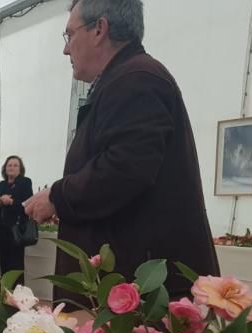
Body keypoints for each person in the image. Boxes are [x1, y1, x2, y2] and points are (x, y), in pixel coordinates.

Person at [24, 0, 219, 303]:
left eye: (69, 35)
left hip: (141, 292)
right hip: (133, 283)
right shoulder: (127, 79)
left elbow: (124, 169)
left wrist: (57, 196)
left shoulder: (136, 80)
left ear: (99, 28)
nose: (66, 50)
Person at [0, 155, 34, 277]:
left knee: (16, 265)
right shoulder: (1, 185)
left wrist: (11, 202)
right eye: (9, 165)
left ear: (20, 169)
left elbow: (27, 205)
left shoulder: (25, 182)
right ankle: (4, 293)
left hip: (17, 229)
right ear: (5, 168)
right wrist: (0, 202)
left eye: (15, 165)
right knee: (3, 262)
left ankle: (17, 293)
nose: (12, 167)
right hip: (2, 229)